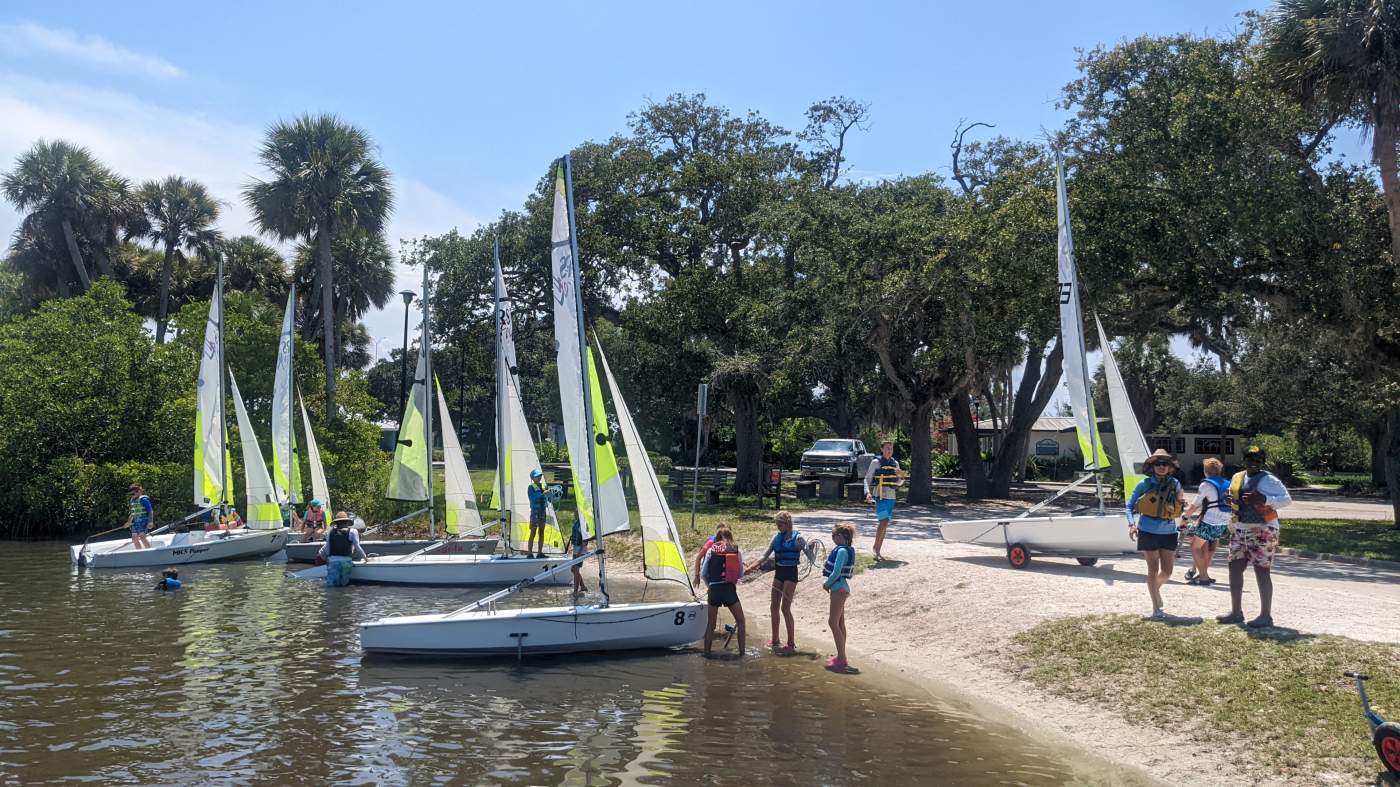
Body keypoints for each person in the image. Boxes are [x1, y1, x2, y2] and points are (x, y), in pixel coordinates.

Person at [1217, 446, 1292, 628]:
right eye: (1249, 459)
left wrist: (1264, 500)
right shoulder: (1237, 477)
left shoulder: (1269, 480)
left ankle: (1265, 616)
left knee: (1261, 570)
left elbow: (1287, 499)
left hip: (1263, 529)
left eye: (1257, 459)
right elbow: (1235, 499)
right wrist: (1230, 500)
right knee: (1234, 568)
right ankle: (1236, 612)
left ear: (1262, 462)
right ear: (1244, 460)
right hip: (1240, 528)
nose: (1253, 462)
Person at [1126, 448, 1186, 621]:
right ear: (1152, 466)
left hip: (1168, 531)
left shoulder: (1175, 484)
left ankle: (1155, 589)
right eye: (1158, 464)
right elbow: (1129, 506)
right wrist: (1132, 525)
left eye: (1165, 464)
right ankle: (1156, 607)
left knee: (1167, 572)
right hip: (1147, 531)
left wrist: (1183, 508)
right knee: (1152, 570)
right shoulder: (1144, 485)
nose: (1161, 467)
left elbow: (1180, 505)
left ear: (1169, 467)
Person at [753, 511, 806, 652]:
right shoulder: (776, 538)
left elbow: (809, 553)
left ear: (787, 524)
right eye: (777, 525)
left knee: (785, 608)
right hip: (779, 573)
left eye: (780, 525)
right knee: (773, 607)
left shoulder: (798, 537)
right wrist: (751, 567)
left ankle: (790, 642)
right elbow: (765, 555)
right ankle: (775, 639)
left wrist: (809, 547)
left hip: (791, 573)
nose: (778, 527)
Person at [695, 525, 746, 657]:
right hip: (729, 589)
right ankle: (742, 655)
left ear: (716, 538)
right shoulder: (736, 551)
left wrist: (710, 586)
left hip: (714, 590)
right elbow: (740, 573)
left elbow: (704, 573)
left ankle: (706, 654)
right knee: (741, 622)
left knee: (711, 625)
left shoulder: (711, 551)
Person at [1182, 457, 1231, 586]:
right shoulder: (1227, 483)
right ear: (1219, 470)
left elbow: (1195, 504)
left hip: (1209, 521)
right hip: (1223, 522)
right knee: (1207, 548)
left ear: (1205, 471)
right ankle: (1204, 574)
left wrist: (1185, 516)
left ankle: (1203, 578)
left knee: (1195, 547)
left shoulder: (1206, 484)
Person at [822, 522, 856, 672]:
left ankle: (842, 658)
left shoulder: (842, 551)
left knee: (833, 622)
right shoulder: (842, 550)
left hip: (839, 589)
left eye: (833, 535)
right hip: (840, 588)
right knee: (840, 623)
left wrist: (827, 584)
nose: (832, 538)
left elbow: (836, 573)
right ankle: (841, 655)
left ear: (840, 536)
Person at [863, 441, 901, 561]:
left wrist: (900, 478)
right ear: (882, 449)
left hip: (891, 497)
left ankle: (878, 550)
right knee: (883, 521)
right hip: (879, 496)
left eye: (891, 448)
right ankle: (876, 548)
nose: (890, 450)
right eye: (887, 448)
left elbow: (900, 481)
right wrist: (867, 493)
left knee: (885, 524)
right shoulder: (876, 462)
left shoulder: (895, 463)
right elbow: (867, 479)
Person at [317, 511, 367, 587]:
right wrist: (365, 558)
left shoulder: (330, 532)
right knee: (344, 585)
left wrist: (327, 559)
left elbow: (328, 548)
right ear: (347, 522)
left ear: (336, 523)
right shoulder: (353, 531)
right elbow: (357, 547)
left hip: (333, 561)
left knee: (331, 585)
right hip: (346, 562)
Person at [527, 469, 549, 559]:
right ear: (532, 478)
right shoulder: (531, 487)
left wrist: (551, 494)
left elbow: (548, 498)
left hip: (542, 511)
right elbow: (534, 499)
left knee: (541, 531)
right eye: (537, 476)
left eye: (540, 475)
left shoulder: (544, 486)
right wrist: (543, 494)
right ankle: (529, 553)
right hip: (535, 512)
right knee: (533, 531)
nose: (539, 477)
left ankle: (540, 552)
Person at [125, 483, 154, 550]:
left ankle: (149, 552)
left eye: (134, 493)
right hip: (136, 521)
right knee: (134, 538)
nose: (133, 495)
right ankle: (139, 552)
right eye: (132, 494)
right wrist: (129, 522)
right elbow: (133, 513)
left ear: (139, 491)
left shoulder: (144, 500)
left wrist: (151, 522)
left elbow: (150, 511)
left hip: (143, 521)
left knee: (142, 536)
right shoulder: (132, 500)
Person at [569, 517, 590, 597]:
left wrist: (579, 553)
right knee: (573, 569)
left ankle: (575, 592)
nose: (575, 510)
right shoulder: (577, 521)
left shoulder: (583, 524)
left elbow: (585, 541)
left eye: (577, 509)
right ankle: (583, 587)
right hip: (576, 549)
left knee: (576, 570)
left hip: (580, 550)